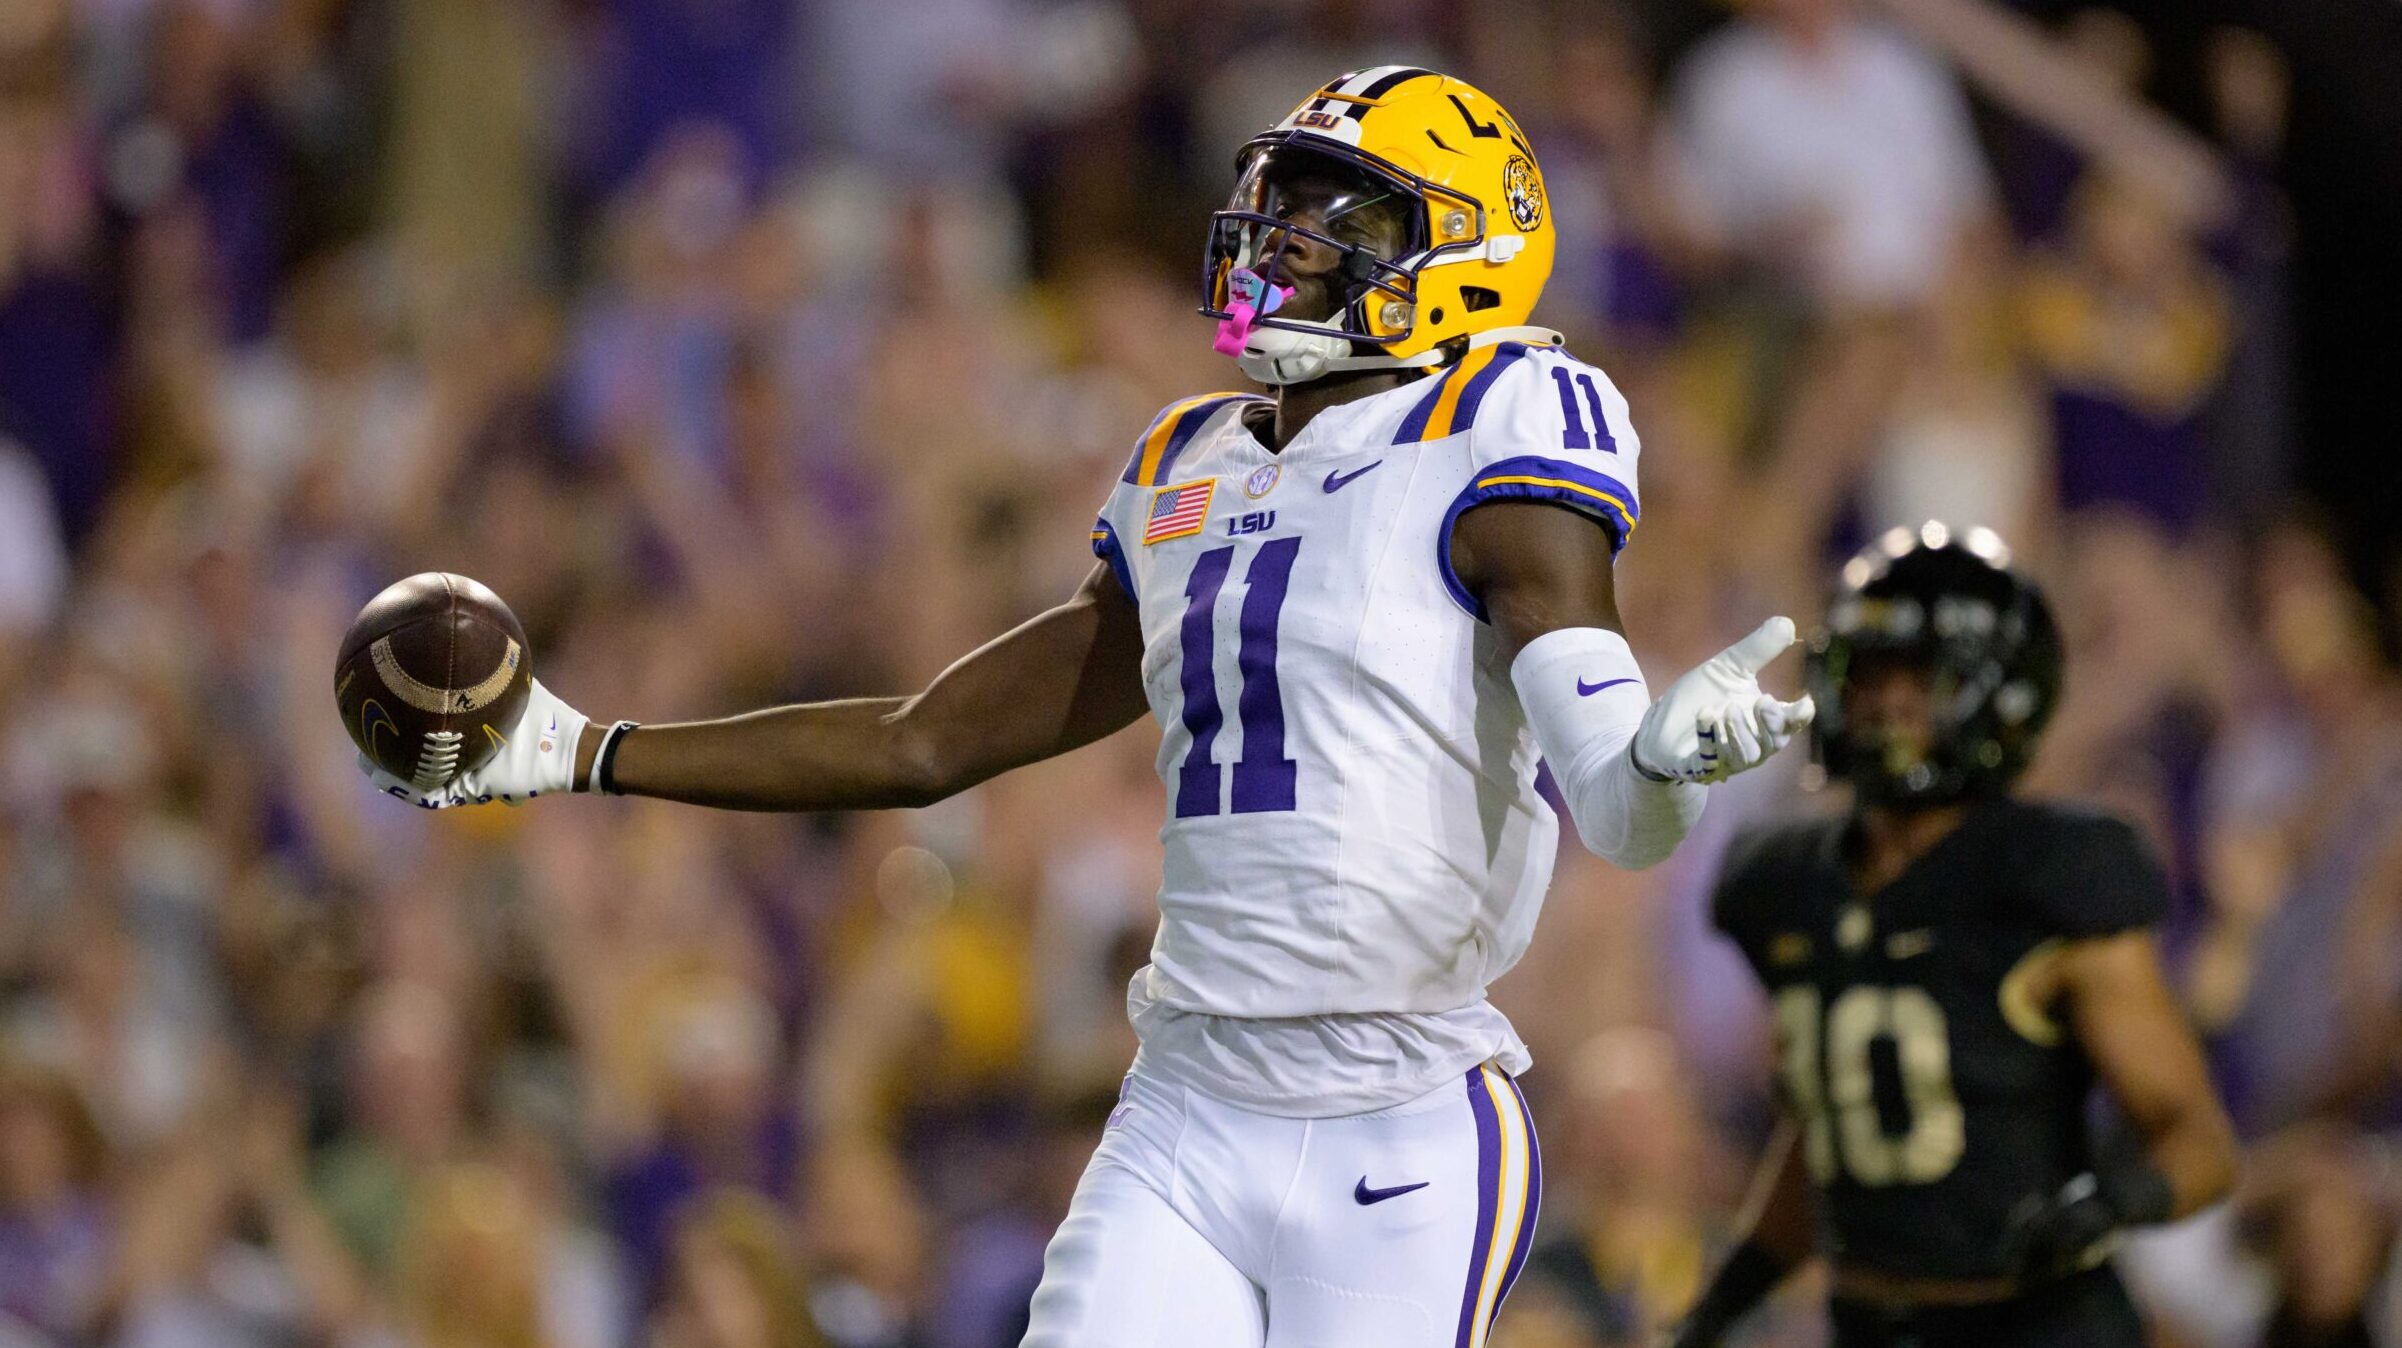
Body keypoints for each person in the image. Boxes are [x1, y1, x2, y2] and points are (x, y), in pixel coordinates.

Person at [362, 68, 1814, 1347]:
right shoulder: (1186, 462)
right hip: (1185, 1104)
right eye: (1275, 200)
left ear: (1464, 251)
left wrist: (1669, 760)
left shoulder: (1494, 425)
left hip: (1399, 1114)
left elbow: (1619, 815)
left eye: (1335, 214)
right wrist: (583, 749)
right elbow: (925, 739)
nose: (1278, 238)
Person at [1672, 525, 2238, 1348]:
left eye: (1919, 680)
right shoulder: (1787, 883)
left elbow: (2200, 1146)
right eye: (1868, 674)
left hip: (2031, 1325)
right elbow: (1831, 1126)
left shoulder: (2050, 875)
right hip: (1868, 1323)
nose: (1884, 703)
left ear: (1996, 693)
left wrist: (2101, 1209)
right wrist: (1723, 1300)